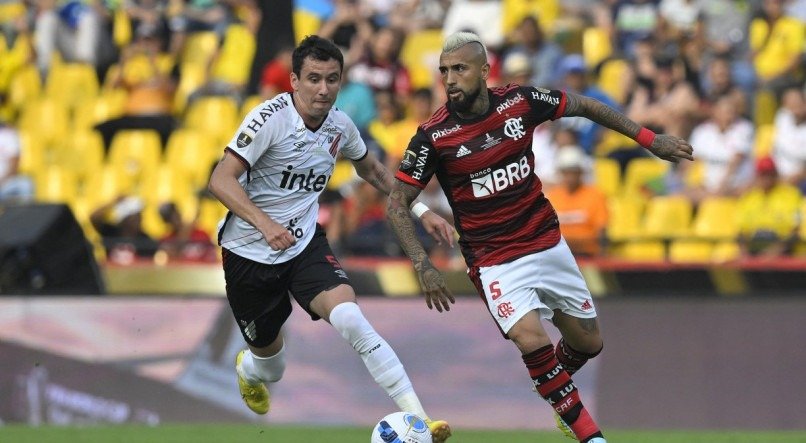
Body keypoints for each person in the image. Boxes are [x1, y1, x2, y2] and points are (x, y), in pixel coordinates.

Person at [386, 32, 694, 443]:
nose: (450, 79)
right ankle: (590, 434)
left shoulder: (521, 102)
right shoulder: (433, 136)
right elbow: (396, 202)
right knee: (531, 338)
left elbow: (583, 105)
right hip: (493, 259)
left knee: (588, 342)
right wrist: (423, 264)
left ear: (483, 69)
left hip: (546, 242)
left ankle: (555, 390)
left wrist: (649, 139)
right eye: (444, 71)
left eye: (459, 68)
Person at [207, 35, 454, 442]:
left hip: (304, 246)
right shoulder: (268, 119)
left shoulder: (340, 124)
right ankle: (250, 369)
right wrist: (265, 224)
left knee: (351, 318)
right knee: (272, 367)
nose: (323, 89)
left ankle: (422, 421)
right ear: (294, 81)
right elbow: (220, 179)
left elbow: (373, 172)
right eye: (314, 79)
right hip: (249, 255)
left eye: (332, 79)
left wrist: (422, 210)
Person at [544, 146, 608, 258]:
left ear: (581, 172)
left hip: (587, 256)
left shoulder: (595, 195)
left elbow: (600, 234)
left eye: (573, 172)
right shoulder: (553, 196)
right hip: (558, 255)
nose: (570, 177)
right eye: (566, 172)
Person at [90, 195, 159, 263]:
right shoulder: (111, 232)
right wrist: (113, 203)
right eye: (136, 216)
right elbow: (94, 218)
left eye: (140, 215)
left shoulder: (145, 240)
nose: (140, 219)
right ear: (125, 219)